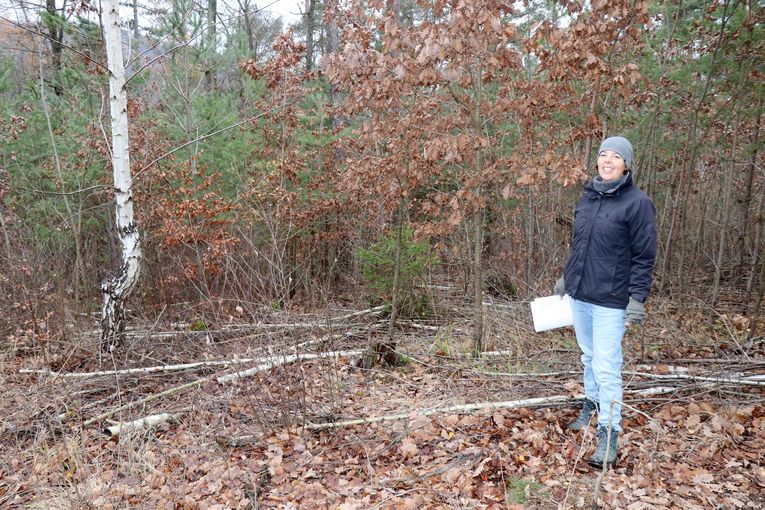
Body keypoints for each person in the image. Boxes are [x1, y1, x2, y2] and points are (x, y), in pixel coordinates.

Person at [554, 136, 657, 468]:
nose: (608, 160)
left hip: (612, 300)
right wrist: (568, 277)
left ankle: (609, 433)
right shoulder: (587, 197)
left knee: (607, 366)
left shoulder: (637, 203)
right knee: (588, 356)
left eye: (616, 156)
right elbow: (579, 245)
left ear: (626, 164)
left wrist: (637, 299)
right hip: (581, 295)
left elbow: (644, 256)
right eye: (603, 155)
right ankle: (591, 405)